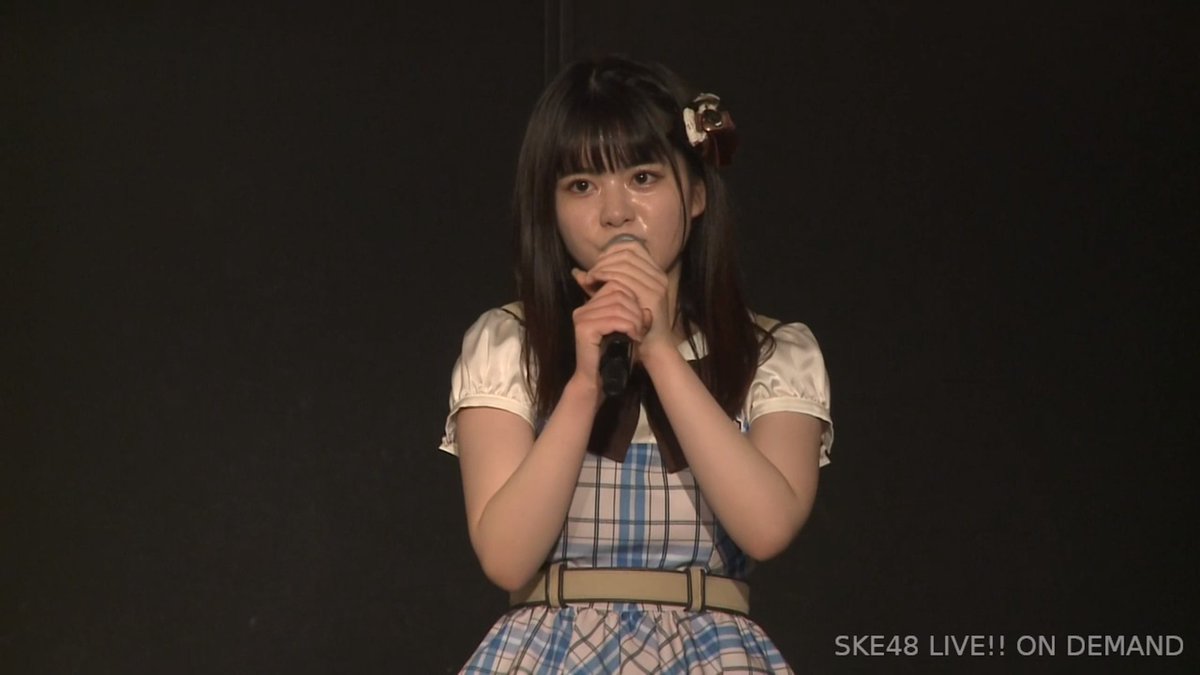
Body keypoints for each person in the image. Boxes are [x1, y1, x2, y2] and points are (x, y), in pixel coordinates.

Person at [438, 55, 833, 673]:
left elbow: (767, 527)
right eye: (581, 186)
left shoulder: (772, 351)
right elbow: (506, 559)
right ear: (551, 207)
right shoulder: (509, 342)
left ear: (696, 193)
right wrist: (584, 385)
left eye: (643, 178)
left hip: (710, 652)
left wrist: (660, 351)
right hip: (547, 652)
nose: (615, 212)